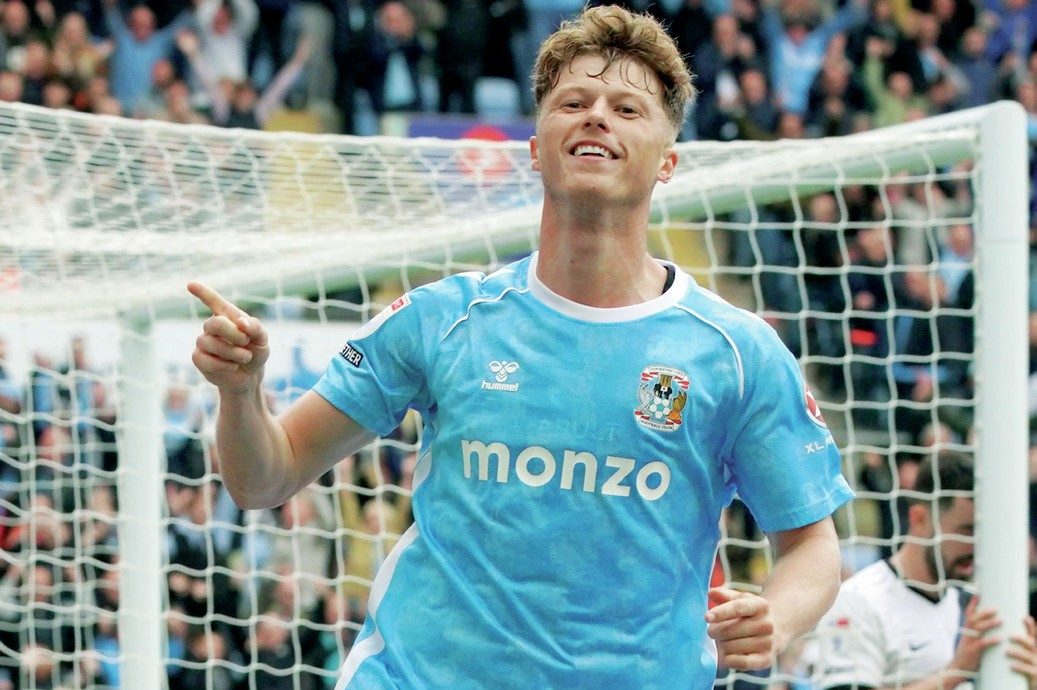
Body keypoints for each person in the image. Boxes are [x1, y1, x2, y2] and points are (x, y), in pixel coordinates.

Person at [188, 5, 853, 687]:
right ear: (536, 147)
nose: (596, 116)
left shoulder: (737, 353)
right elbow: (264, 477)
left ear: (668, 162)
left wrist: (778, 614)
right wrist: (240, 393)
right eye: (573, 101)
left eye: (627, 108)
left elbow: (809, 543)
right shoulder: (441, 318)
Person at [813, 452, 1037, 689]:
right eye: (966, 531)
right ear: (919, 518)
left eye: (983, 534)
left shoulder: (973, 607)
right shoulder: (858, 600)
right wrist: (954, 673)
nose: (976, 547)